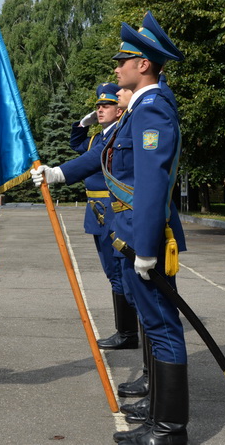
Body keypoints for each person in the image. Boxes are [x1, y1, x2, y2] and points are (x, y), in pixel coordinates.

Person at [32, 12, 190, 444]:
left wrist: (146, 246)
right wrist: (58, 173)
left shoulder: (152, 110)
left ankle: (169, 430)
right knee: (154, 323)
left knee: (161, 326)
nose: (116, 69)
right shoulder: (136, 111)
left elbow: (153, 183)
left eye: (123, 61)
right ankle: (158, 405)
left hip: (144, 234)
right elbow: (100, 158)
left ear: (144, 65)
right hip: (128, 229)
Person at [70, 82, 139, 351]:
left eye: (106, 106)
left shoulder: (117, 136)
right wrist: (81, 124)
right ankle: (126, 330)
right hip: (96, 212)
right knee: (112, 273)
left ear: (119, 111)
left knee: (122, 272)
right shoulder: (97, 138)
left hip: (113, 209)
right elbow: (77, 144)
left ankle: (128, 332)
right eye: (98, 106)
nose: (100, 110)